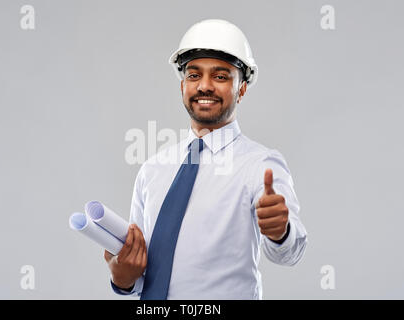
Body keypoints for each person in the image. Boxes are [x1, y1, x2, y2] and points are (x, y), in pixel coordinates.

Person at [104, 19, 307, 300]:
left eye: (221, 76)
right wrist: (122, 278)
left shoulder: (261, 165)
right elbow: (142, 277)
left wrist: (280, 231)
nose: (205, 86)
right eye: (194, 75)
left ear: (242, 88)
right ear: (182, 85)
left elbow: (290, 252)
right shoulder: (152, 170)